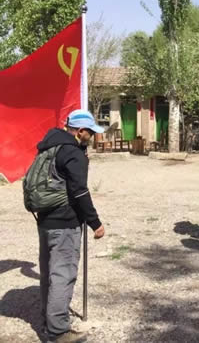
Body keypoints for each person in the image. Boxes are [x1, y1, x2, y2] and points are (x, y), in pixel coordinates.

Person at [34, 110, 105, 343]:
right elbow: (79, 191)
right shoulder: (72, 153)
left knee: (49, 273)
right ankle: (58, 332)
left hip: (45, 220)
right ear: (80, 131)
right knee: (63, 275)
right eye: (90, 133)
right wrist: (95, 223)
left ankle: (48, 321)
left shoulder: (49, 146)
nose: (92, 137)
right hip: (66, 222)